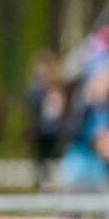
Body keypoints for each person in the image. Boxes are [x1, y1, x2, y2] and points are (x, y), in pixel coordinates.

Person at [60, 51, 109, 192]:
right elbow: (70, 132)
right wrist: (97, 143)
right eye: (106, 76)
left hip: (101, 170)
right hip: (79, 170)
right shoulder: (83, 105)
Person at [25, 50, 67, 189]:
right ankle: (42, 182)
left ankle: (50, 182)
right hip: (41, 130)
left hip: (54, 130)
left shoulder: (56, 88)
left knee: (53, 157)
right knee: (41, 158)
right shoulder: (36, 89)